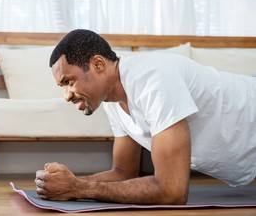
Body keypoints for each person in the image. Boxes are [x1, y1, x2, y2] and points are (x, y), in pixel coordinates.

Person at [35, 29, 256, 205]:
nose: (67, 96)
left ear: (98, 64)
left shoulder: (154, 80)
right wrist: (70, 183)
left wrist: (77, 189)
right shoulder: (112, 101)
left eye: (69, 82)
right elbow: (123, 172)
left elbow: (172, 191)